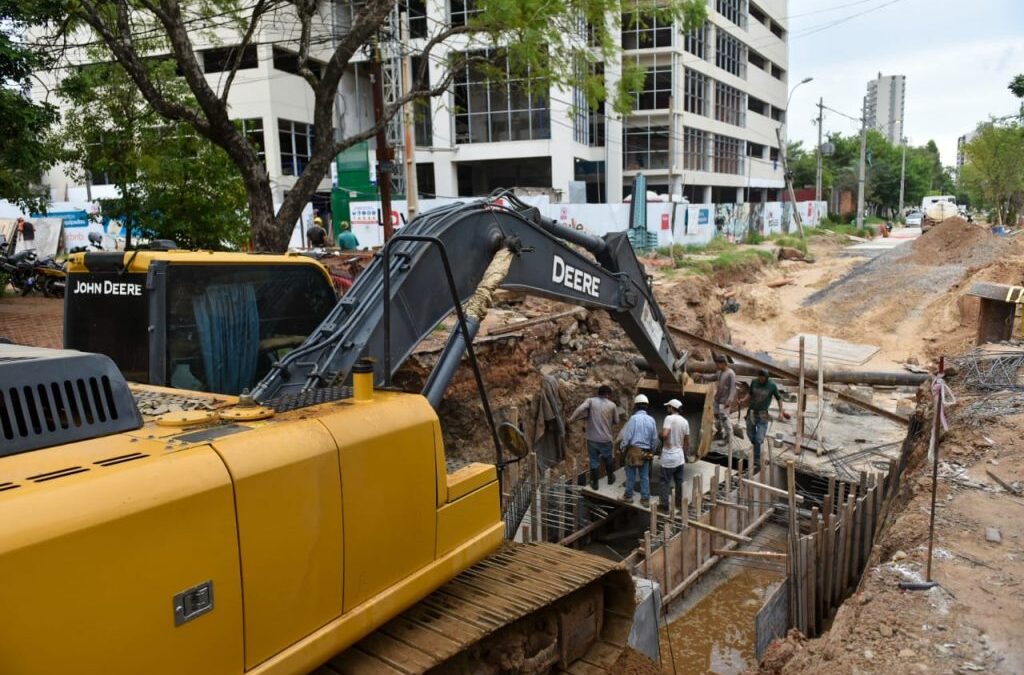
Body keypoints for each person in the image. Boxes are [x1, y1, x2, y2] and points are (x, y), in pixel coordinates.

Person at [568, 385, 621, 490]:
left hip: (592, 439)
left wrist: (571, 419)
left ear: (598, 393)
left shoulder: (591, 401)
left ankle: (595, 483)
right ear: (608, 395)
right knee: (608, 458)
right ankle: (610, 478)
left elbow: (580, 409)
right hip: (606, 439)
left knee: (593, 460)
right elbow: (617, 421)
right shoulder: (612, 405)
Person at [740, 369, 790, 466]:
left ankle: (757, 458)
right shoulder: (754, 382)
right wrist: (743, 400)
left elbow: (779, 398)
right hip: (751, 412)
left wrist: (781, 412)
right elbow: (750, 394)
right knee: (750, 435)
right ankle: (756, 447)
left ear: (767, 377)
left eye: (763, 377)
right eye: (760, 377)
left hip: (763, 414)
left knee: (758, 438)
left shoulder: (772, 385)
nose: (761, 379)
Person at [619, 393, 658, 507]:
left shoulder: (633, 419)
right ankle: (645, 499)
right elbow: (654, 438)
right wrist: (652, 451)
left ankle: (628, 496)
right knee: (644, 476)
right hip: (646, 451)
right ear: (647, 406)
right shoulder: (651, 420)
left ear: (636, 406)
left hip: (633, 451)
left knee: (631, 475)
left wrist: (622, 447)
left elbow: (628, 436)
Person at [658, 398, 689, 513]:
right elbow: (687, 442)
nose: (667, 408)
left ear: (672, 408)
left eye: (668, 407)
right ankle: (679, 504)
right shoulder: (685, 421)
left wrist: (660, 435)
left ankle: (664, 506)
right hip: (679, 457)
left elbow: (665, 435)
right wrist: (684, 455)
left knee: (664, 482)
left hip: (668, 457)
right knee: (679, 481)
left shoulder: (669, 418)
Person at [699, 354, 737, 443]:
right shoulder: (719, 372)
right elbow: (712, 377)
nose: (717, 366)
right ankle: (719, 433)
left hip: (725, 400)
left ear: (723, 363)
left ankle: (729, 437)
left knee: (725, 418)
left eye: (718, 364)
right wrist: (702, 376)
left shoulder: (731, 374)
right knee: (716, 416)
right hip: (717, 399)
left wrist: (729, 400)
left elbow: (733, 389)